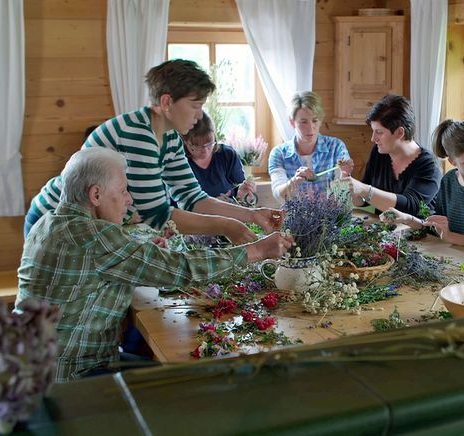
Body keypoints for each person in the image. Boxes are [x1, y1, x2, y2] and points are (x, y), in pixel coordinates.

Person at [15, 147, 293, 382]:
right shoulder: (95, 236)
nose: (129, 199)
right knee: (188, 381)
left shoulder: (48, 222)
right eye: (123, 190)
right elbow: (182, 269)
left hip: (30, 368)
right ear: (95, 195)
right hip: (72, 377)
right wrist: (258, 250)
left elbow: (111, 253)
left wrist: (142, 250)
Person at [24, 59, 282, 243]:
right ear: (167, 102)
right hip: (52, 221)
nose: (199, 115)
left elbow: (193, 198)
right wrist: (228, 226)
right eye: (195, 105)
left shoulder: (169, 136)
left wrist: (251, 215)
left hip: (94, 225)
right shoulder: (138, 135)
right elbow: (158, 215)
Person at [380, 119, 464, 262]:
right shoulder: (449, 181)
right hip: (457, 263)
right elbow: (438, 229)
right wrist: (406, 218)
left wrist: (452, 237)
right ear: (452, 162)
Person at [348, 94, 442, 217]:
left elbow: (411, 207)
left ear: (400, 132)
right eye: (373, 131)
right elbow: (371, 205)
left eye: (379, 132)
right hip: (385, 231)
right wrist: (355, 196)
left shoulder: (429, 165)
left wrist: (365, 191)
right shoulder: (378, 153)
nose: (373, 138)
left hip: (422, 235)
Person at [268, 91, 354, 199]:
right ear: (292, 122)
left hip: (330, 214)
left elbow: (343, 193)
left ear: (320, 121)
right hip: (294, 215)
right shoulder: (278, 153)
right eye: (303, 122)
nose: (310, 127)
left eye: (315, 120)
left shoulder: (336, 147)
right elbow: (278, 193)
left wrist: (344, 174)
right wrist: (294, 181)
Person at [183, 111, 257, 202]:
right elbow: (174, 204)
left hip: (229, 213)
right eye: (198, 147)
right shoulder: (178, 161)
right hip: (194, 215)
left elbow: (240, 190)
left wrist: (243, 193)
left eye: (209, 144)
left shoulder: (227, 155)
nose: (205, 151)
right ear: (186, 142)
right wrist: (214, 204)